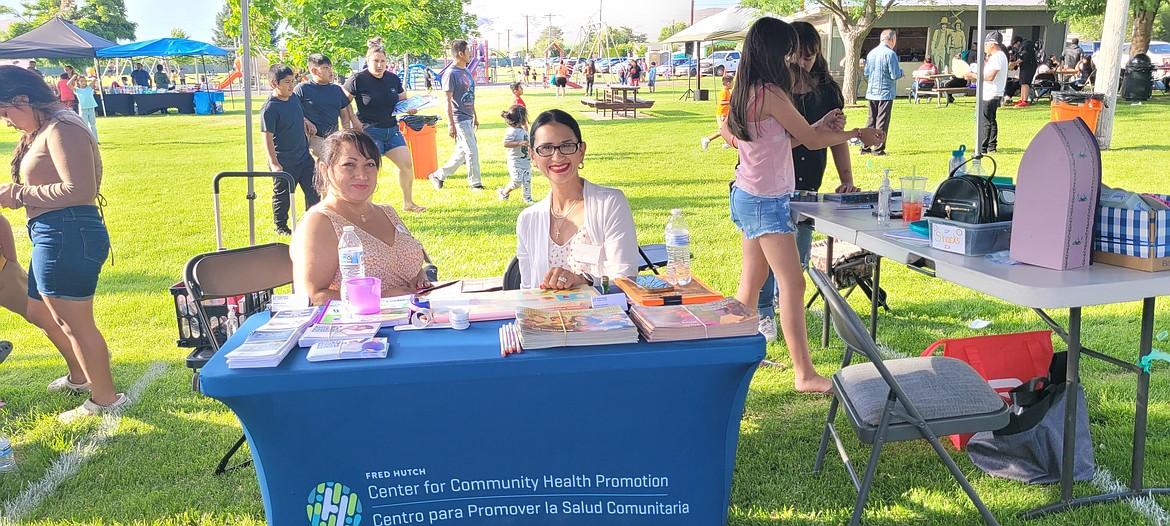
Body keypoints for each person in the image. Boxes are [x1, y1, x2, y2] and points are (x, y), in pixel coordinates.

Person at [720, 17, 883, 394]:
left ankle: (726, 352)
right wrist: (857, 132)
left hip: (747, 196)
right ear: (775, 51)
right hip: (765, 202)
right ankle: (804, 374)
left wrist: (824, 122)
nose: (794, 57)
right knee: (791, 284)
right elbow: (809, 140)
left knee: (751, 284)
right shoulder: (773, 94)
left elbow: (779, 143)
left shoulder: (747, 90)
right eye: (789, 49)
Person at [0, 65, 126, 421]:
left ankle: (105, 398)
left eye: (6, 113)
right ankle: (81, 376)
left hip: (68, 233)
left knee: (76, 322)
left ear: (22, 100)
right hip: (53, 231)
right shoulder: (48, 126)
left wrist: (19, 193)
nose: (7, 122)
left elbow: (81, 190)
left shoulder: (62, 128)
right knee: (41, 311)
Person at [754, 20, 860, 342]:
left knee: (795, 258)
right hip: (768, 184)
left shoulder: (827, 90)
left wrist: (847, 178)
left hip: (805, 185)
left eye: (809, 56)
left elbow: (834, 137)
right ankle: (763, 313)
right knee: (762, 261)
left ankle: (783, 304)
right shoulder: (772, 88)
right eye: (797, 55)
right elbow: (801, 138)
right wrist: (854, 133)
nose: (802, 62)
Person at [291, 130, 432, 306]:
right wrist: (382, 297)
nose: (362, 175)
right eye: (349, 165)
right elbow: (311, 297)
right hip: (361, 329)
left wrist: (419, 277)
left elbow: (402, 264)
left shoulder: (387, 213)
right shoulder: (319, 223)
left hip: (416, 321)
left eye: (370, 165)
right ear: (325, 170)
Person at [515, 109, 640, 290]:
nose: (557, 156)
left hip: (602, 316)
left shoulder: (610, 204)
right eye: (546, 148)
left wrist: (586, 280)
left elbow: (626, 281)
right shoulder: (528, 219)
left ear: (581, 151)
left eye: (566, 146)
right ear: (533, 156)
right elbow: (527, 290)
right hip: (546, 317)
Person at [343, 38, 427, 212]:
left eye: (382, 61)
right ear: (367, 62)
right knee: (368, 172)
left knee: (406, 164)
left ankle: (408, 203)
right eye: (375, 61)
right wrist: (353, 123)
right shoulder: (357, 79)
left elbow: (402, 100)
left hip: (392, 130)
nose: (379, 65)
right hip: (369, 131)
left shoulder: (393, 79)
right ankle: (366, 208)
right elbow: (343, 102)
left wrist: (409, 108)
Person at [261, 63, 322, 235]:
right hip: (284, 160)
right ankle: (281, 226)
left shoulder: (293, 97)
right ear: (274, 84)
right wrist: (274, 163)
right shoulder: (270, 109)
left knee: (314, 189)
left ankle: (312, 222)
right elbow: (266, 137)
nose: (291, 85)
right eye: (287, 82)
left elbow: (298, 113)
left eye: (292, 81)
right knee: (283, 195)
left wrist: (306, 121)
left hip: (303, 156)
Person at [428, 39, 484, 191]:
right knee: (471, 150)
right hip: (459, 118)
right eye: (468, 52)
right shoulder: (450, 74)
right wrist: (450, 123)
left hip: (469, 117)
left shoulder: (466, 71)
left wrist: (475, 116)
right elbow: (446, 100)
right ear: (460, 53)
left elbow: (470, 95)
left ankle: (438, 175)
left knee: (462, 152)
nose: (470, 55)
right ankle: (475, 183)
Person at [295, 53, 360, 160]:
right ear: (314, 71)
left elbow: (344, 115)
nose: (330, 71)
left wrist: (345, 134)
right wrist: (306, 121)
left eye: (330, 67)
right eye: (325, 68)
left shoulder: (336, 89)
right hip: (313, 139)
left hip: (333, 138)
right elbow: (293, 110)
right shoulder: (302, 89)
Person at [966, 31, 1008, 154]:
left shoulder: (997, 57)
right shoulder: (1000, 56)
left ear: (992, 44)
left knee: (985, 121)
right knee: (991, 120)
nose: (984, 47)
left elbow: (990, 77)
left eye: (985, 44)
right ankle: (991, 146)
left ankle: (982, 147)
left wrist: (972, 75)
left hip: (990, 93)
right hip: (993, 92)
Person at [862, 29, 902, 156]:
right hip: (885, 92)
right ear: (892, 39)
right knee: (882, 120)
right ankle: (878, 149)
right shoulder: (890, 54)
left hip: (872, 92)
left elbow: (866, 73)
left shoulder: (871, 53)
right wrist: (902, 72)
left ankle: (865, 147)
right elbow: (894, 74)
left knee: (870, 120)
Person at [497, 104, 532, 203]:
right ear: (521, 118)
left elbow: (528, 142)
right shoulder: (512, 131)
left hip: (525, 161)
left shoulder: (524, 131)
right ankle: (504, 192)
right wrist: (518, 143)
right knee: (516, 181)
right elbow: (506, 143)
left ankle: (527, 199)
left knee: (527, 181)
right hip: (515, 162)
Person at [700, 75, 734, 150]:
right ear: (728, 83)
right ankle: (707, 140)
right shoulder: (724, 92)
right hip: (722, 114)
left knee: (728, 128)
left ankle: (727, 143)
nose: (733, 84)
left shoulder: (727, 91)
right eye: (732, 82)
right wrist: (731, 102)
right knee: (722, 130)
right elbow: (721, 102)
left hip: (725, 114)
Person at [1010, 35, 1038, 107]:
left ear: (1018, 42)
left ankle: (1025, 100)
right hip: (1024, 66)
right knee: (1022, 82)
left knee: (1026, 83)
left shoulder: (1026, 45)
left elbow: (1024, 56)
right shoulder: (1023, 46)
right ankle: (1022, 99)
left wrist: (1015, 63)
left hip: (1029, 66)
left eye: (1015, 45)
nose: (1015, 47)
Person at [72, 75, 99, 141]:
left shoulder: (89, 88)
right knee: (85, 125)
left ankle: (95, 140)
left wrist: (88, 78)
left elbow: (94, 79)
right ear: (78, 82)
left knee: (93, 125)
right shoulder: (77, 90)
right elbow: (68, 84)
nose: (84, 82)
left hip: (91, 108)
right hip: (83, 109)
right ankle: (86, 139)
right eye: (81, 81)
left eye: (85, 81)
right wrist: (73, 77)